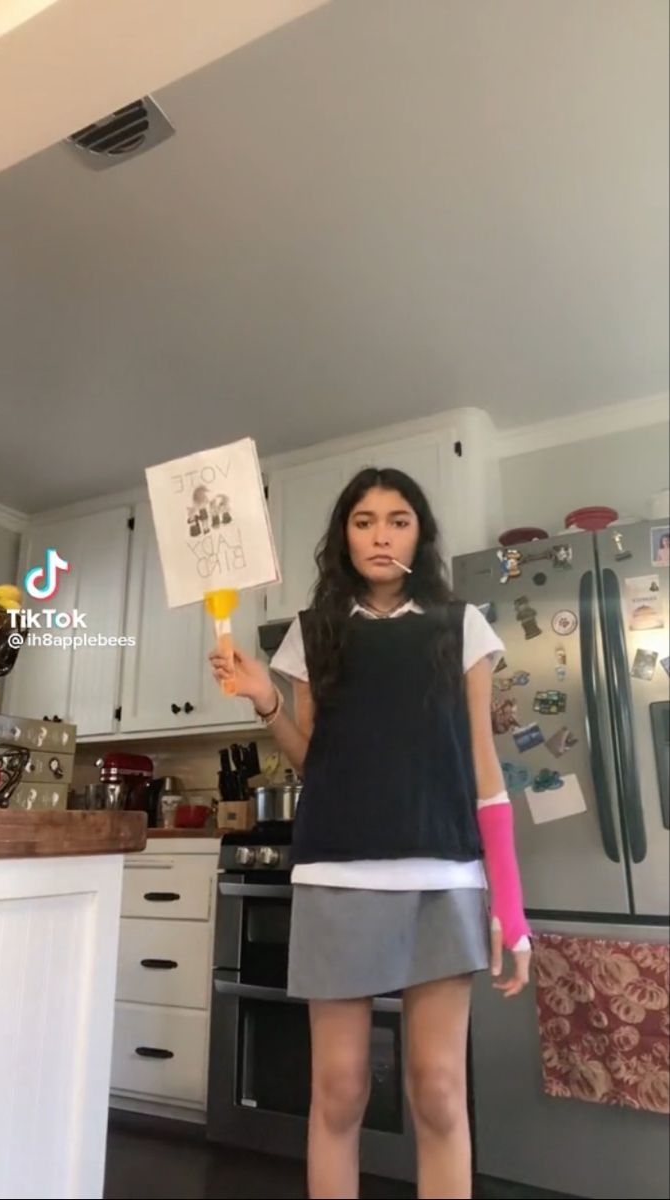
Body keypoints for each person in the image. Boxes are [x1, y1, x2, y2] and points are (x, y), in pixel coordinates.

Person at [209, 467, 531, 1200]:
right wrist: (264, 697)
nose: (380, 534)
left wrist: (510, 909)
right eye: (363, 520)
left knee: (440, 1091)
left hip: (444, 878)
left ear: (419, 533)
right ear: (343, 536)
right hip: (336, 877)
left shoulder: (460, 625)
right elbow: (310, 759)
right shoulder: (311, 632)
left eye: (396, 519)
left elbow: (486, 771)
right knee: (339, 1091)